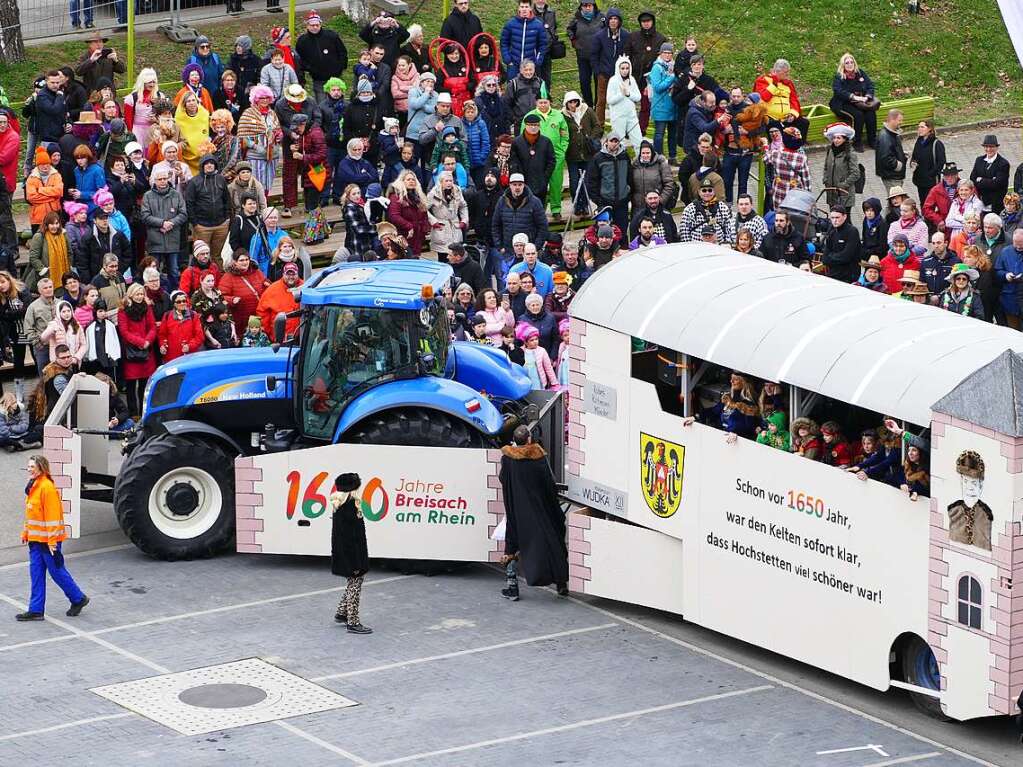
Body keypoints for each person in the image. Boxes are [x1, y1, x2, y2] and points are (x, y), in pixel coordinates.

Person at [498, 422, 569, 599]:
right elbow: (549, 483)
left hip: (517, 510)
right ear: (529, 439)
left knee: (512, 544)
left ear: (514, 440)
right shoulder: (538, 456)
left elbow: (503, 479)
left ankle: (512, 588)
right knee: (554, 540)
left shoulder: (507, 458)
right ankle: (561, 583)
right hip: (541, 508)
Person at [15, 453, 89, 622]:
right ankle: (35, 610)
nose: (29, 469)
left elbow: (53, 518)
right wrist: (26, 532)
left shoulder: (47, 488)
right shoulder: (33, 486)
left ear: (41, 468)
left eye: (32, 467)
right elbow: (31, 514)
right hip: (36, 542)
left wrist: (53, 542)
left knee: (57, 572)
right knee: (36, 574)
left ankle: (78, 598)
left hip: (48, 543)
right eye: (28, 466)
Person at [329, 473, 373, 633]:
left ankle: (342, 613)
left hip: (345, 554)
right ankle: (353, 622)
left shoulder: (339, 504)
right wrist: (354, 563)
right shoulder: (350, 506)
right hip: (352, 556)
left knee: (353, 583)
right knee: (355, 585)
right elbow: (351, 539)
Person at [141, 167, 188, 286]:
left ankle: (174, 295)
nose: (162, 181)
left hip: (173, 239)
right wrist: (162, 223)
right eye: (159, 179)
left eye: (164, 178)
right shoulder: (147, 196)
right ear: (154, 181)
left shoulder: (176, 195)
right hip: (155, 240)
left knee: (173, 271)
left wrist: (171, 223)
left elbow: (183, 214)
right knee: (154, 271)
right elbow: (145, 216)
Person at [491, 174, 549, 268]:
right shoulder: (502, 201)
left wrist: (535, 247)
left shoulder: (534, 202)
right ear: (509, 185)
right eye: (514, 184)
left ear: (524, 185)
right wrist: (499, 246)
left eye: (519, 184)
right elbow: (495, 225)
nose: (517, 187)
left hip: (528, 253)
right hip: (508, 251)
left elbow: (543, 226)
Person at [118, 284, 157, 417]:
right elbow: (124, 331)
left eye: (141, 294)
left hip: (146, 351)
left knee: (144, 385)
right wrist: (140, 342)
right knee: (130, 386)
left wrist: (147, 341)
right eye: (137, 294)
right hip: (131, 352)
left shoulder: (147, 308)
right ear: (131, 295)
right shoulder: (123, 310)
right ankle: (134, 414)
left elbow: (152, 327)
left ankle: (143, 412)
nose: (140, 297)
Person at [297, 11, 349, 102]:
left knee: (337, 101)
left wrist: (341, 67)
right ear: (307, 26)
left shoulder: (331, 36)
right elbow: (300, 59)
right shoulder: (302, 41)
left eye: (317, 25)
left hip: (335, 77)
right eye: (312, 25)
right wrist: (309, 68)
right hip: (318, 79)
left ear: (320, 24)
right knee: (321, 103)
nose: (315, 27)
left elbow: (342, 52)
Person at [586, 133, 632, 236]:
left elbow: (630, 177)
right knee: (605, 232)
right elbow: (591, 181)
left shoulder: (625, 156)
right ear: (606, 142)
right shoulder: (598, 158)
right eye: (611, 141)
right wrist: (598, 200)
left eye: (616, 141)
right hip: (605, 202)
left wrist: (628, 195)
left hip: (622, 202)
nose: (614, 144)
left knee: (622, 231)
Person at [829, 52, 877, 151]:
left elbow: (870, 86)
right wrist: (854, 97)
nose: (850, 64)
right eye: (847, 63)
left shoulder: (860, 73)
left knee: (870, 113)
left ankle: (872, 140)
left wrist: (868, 96)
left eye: (852, 62)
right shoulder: (839, 77)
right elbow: (839, 91)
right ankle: (857, 141)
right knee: (858, 115)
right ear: (843, 65)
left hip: (860, 102)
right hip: (842, 103)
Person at [590, 6, 628, 126]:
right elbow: (594, 55)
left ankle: (620, 124)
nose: (613, 21)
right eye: (610, 18)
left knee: (621, 100)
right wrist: (597, 71)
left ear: (619, 21)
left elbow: (628, 53)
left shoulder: (626, 35)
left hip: (620, 75)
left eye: (615, 19)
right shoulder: (599, 36)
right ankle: (599, 125)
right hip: (604, 74)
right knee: (601, 101)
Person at [219, 251, 269, 337]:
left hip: (258, 317)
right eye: (241, 260)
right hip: (240, 319)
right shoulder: (228, 277)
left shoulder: (257, 272)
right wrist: (232, 300)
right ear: (235, 262)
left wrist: (267, 283)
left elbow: (264, 283)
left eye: (247, 259)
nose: (245, 262)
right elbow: (221, 296)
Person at [501, 0, 548, 82]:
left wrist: (537, 61)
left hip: (530, 65)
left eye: (526, 7)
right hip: (514, 64)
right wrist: (508, 59)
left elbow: (543, 44)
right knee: (512, 89)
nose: (524, 9)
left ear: (530, 8)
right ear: (519, 8)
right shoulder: (510, 24)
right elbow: (504, 43)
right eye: (522, 7)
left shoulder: (538, 25)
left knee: (530, 91)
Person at [679, 180, 734, 244]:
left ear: (714, 191)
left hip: (719, 247)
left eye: (710, 190)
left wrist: (726, 245)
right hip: (696, 248)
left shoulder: (722, 207)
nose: (707, 193)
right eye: (704, 190)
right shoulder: (690, 209)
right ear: (699, 192)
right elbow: (684, 232)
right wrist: (690, 247)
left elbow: (729, 229)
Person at [26, 147, 64, 236]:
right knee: (39, 243)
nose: (45, 166)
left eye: (47, 163)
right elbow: (31, 197)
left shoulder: (56, 175)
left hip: (55, 215)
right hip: (38, 218)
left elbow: (59, 192)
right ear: (38, 165)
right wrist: (52, 196)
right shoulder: (31, 178)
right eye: (42, 164)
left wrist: (40, 190)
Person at [822, 122, 860, 210]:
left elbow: (856, 173)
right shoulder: (830, 151)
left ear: (845, 139)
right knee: (834, 216)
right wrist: (825, 179)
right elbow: (826, 167)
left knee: (845, 218)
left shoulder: (850, 153)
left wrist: (843, 185)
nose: (835, 140)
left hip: (844, 194)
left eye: (839, 138)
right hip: (831, 192)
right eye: (834, 138)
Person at [157, 291, 203, 361]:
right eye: (178, 302)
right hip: (172, 357)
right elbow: (162, 335)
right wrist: (163, 345)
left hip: (191, 356)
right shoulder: (167, 316)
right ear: (173, 303)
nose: (182, 303)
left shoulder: (193, 315)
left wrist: (190, 346)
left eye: (184, 301)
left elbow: (199, 336)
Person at [819, 205, 860, 283]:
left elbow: (846, 256)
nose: (834, 221)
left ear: (844, 217)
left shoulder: (852, 231)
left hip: (849, 275)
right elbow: (824, 259)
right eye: (832, 218)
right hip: (833, 274)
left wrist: (831, 256)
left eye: (837, 218)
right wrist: (834, 257)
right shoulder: (832, 231)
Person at [970, 134, 1011, 212]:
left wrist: (980, 180)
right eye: (986, 147)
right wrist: (990, 180)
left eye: (991, 147)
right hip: (979, 201)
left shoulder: (1003, 164)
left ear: (996, 147)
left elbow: (997, 184)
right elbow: (972, 178)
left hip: (995, 203)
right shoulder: (979, 160)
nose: (988, 149)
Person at [910, 120, 945, 206]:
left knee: (931, 204)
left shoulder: (936, 144)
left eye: (922, 127)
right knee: (923, 203)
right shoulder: (919, 141)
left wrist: (931, 174)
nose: (919, 129)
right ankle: (925, 218)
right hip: (919, 179)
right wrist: (912, 163)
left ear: (929, 129)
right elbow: (915, 156)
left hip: (931, 181)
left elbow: (941, 162)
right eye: (918, 127)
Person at [995, 229, 1023, 328]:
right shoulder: (1005, 251)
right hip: (1009, 298)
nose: (1019, 247)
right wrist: (1005, 275)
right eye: (1016, 243)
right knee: (1013, 329)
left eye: (1021, 244)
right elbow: (997, 271)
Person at [923, 162, 962, 235]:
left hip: (961, 224)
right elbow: (926, 209)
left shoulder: (965, 187)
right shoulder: (936, 190)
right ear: (943, 176)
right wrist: (938, 220)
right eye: (947, 175)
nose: (949, 178)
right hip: (945, 226)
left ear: (957, 175)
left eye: (952, 175)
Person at [920, 232, 960, 301]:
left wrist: (940, 296)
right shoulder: (925, 262)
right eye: (933, 243)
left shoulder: (956, 261)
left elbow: (958, 284)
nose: (936, 246)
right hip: (930, 302)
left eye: (938, 243)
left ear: (946, 243)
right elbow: (921, 283)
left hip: (949, 301)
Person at [875, 109, 906, 196]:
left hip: (893, 175)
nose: (901, 122)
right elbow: (885, 157)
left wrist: (902, 155)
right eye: (899, 120)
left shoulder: (891, 134)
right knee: (895, 200)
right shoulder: (885, 136)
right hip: (892, 176)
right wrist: (898, 164)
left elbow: (891, 151)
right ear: (892, 119)